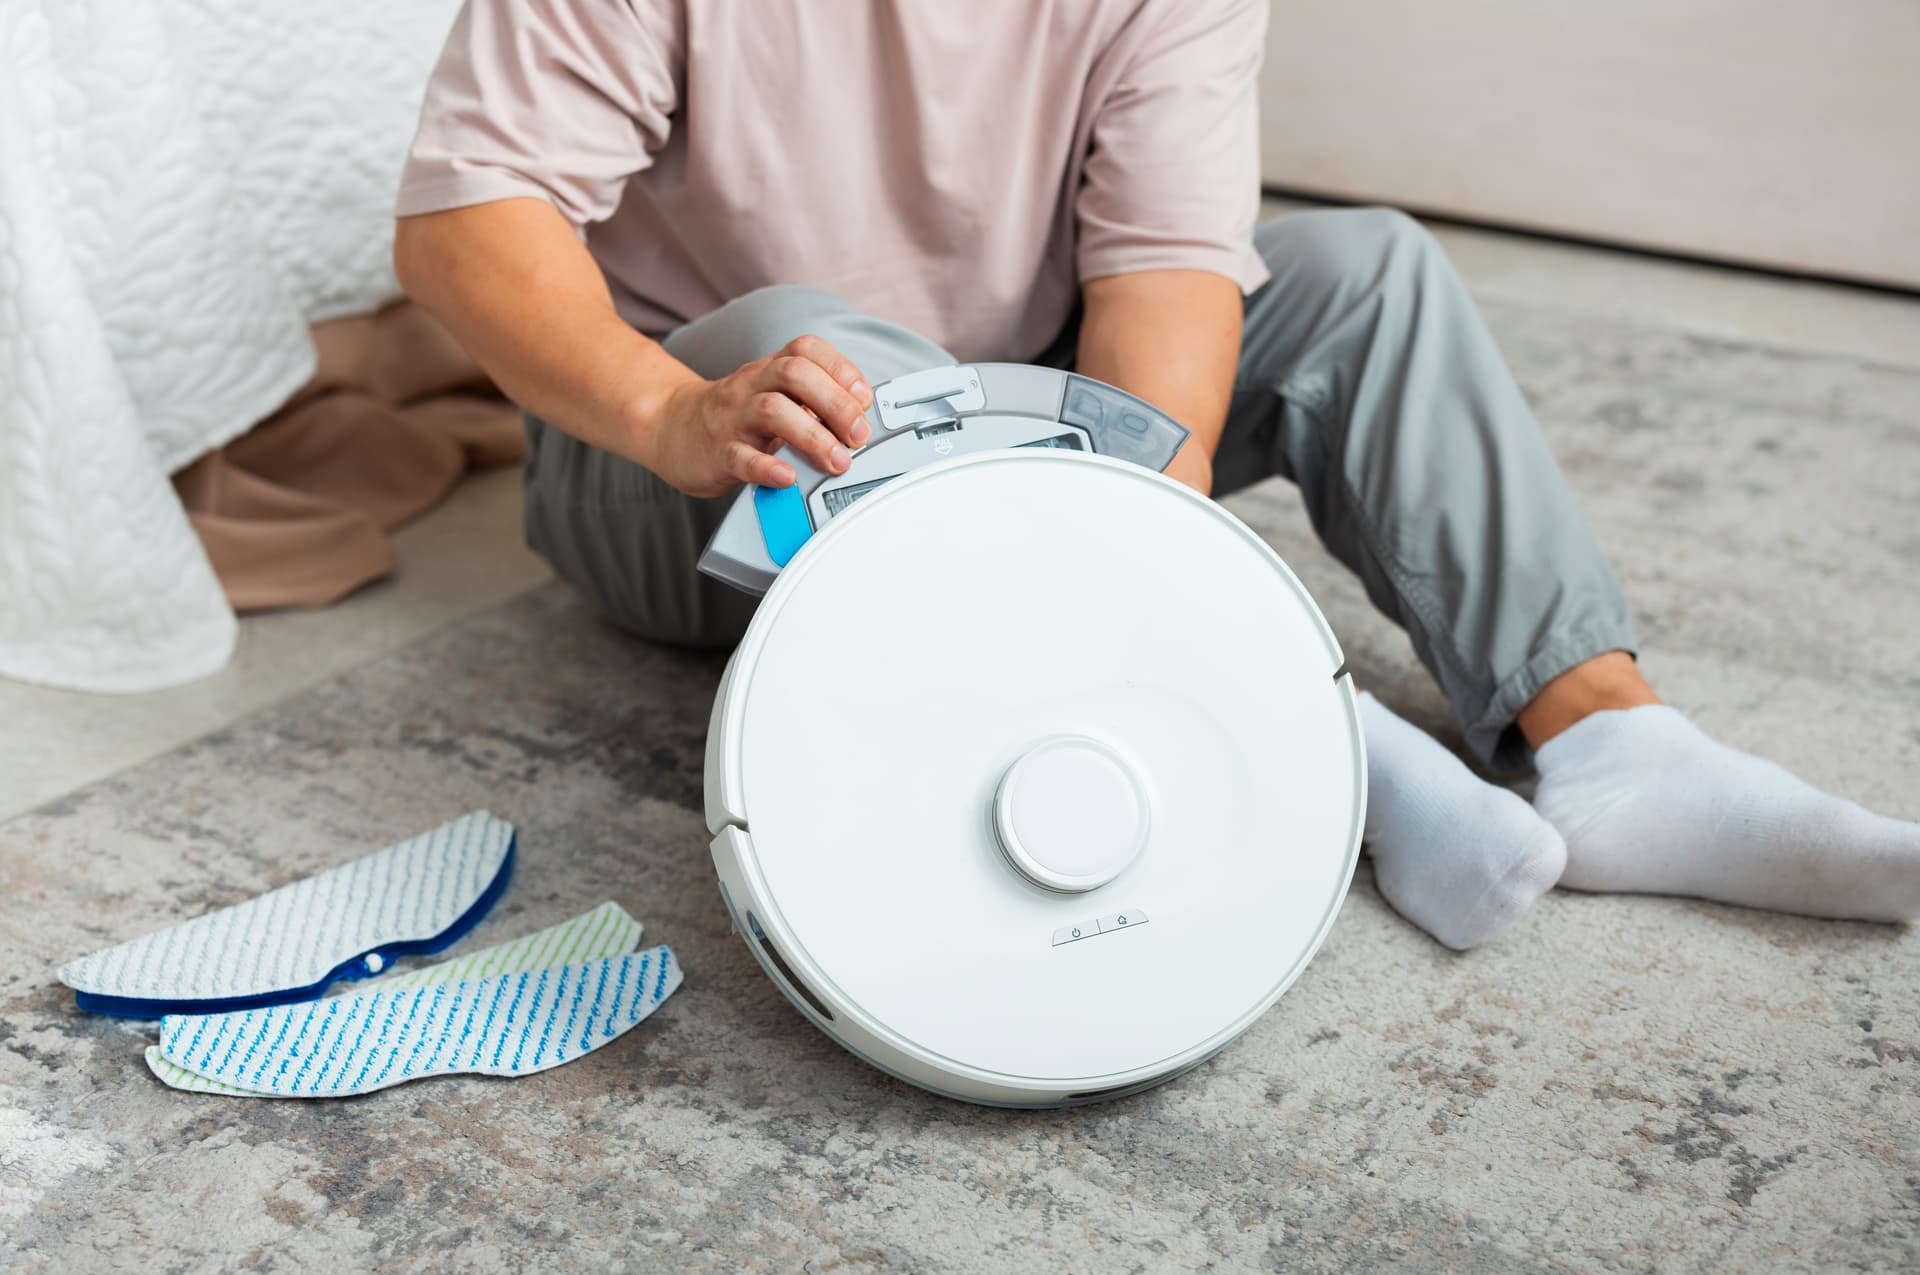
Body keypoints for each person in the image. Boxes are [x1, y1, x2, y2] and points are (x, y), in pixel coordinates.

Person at [392, 0, 1918, 949]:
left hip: (1017, 401)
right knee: (818, 349)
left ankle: (1612, 744)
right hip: (699, 457)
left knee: (1367, 270)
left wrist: (1133, 557)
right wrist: (668, 410)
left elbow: (1169, 281)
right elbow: (470, 218)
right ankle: (1328, 744)